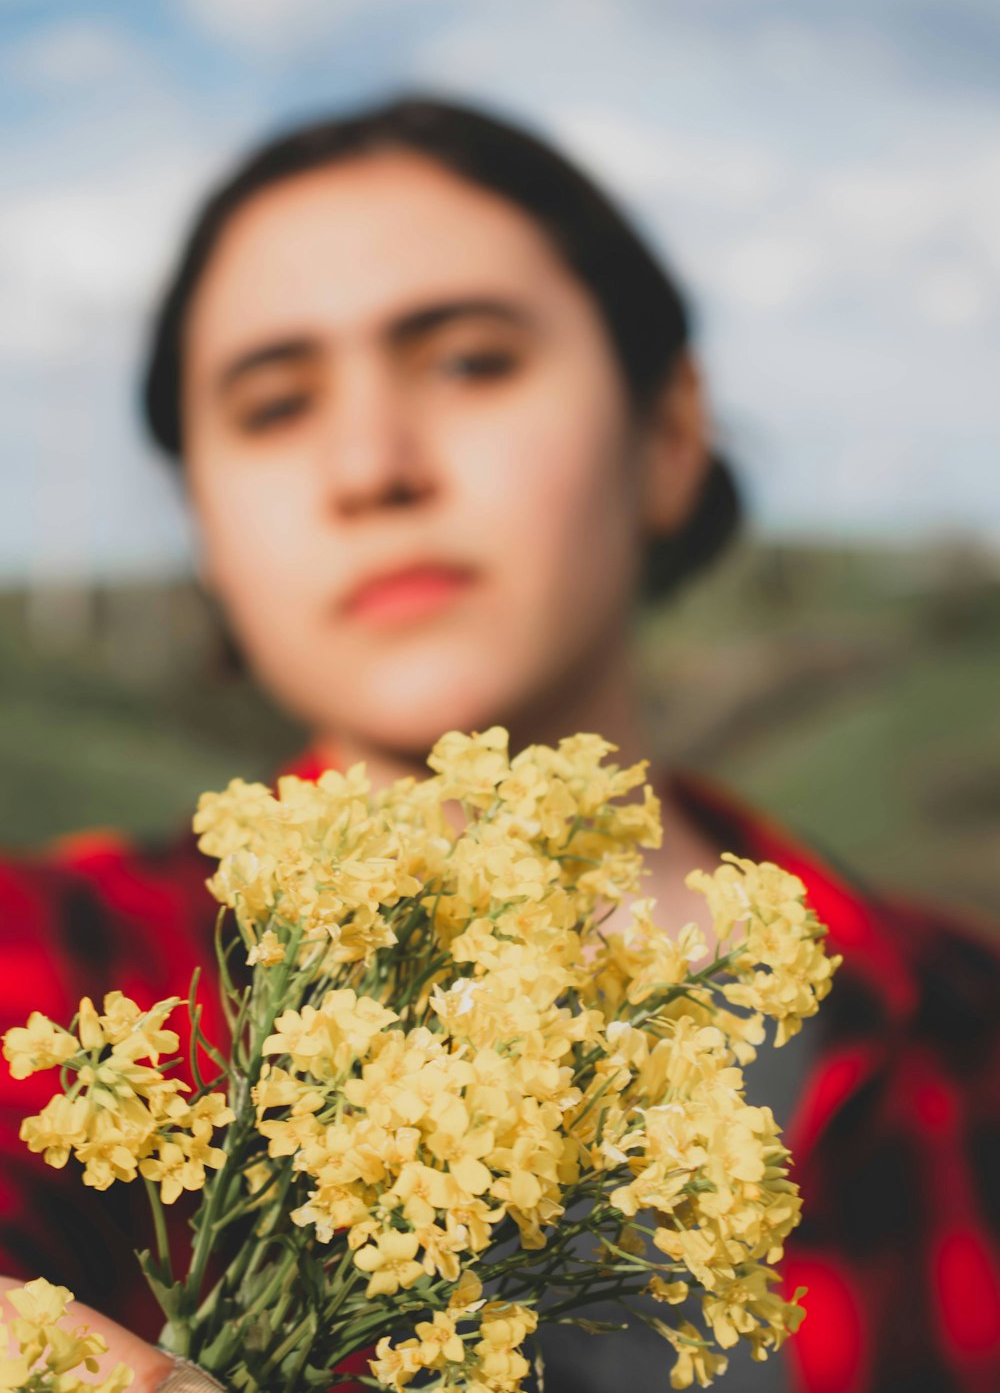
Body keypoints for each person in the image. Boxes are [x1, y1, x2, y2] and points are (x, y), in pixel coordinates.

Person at [2, 95, 999, 1393]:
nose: (372, 465)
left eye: (471, 360)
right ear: (204, 520)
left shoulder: (964, 1022)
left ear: (669, 432)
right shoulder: (56, 965)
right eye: (273, 405)